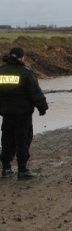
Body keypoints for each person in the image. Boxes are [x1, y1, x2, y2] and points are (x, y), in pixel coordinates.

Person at [0, 47, 48, 180]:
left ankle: (6, 168)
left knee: (7, 139)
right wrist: (42, 107)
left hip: (6, 113)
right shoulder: (25, 72)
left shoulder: (2, 71)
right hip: (22, 113)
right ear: (22, 57)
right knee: (23, 139)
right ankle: (22, 170)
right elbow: (35, 92)